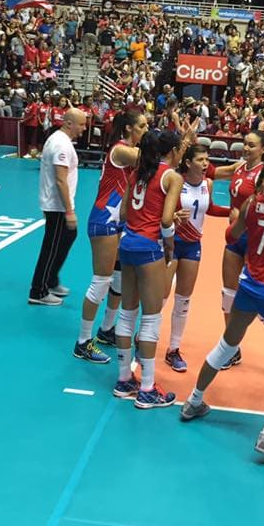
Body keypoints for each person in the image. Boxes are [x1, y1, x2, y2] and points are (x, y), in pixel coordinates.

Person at [180, 156, 264, 462]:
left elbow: (232, 236)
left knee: (227, 344)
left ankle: (194, 401)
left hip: (248, 284)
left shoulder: (251, 202)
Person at [113, 130, 185, 408]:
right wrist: (169, 246)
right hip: (148, 247)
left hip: (128, 243)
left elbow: (122, 214)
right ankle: (146, 389)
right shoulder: (172, 177)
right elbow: (167, 220)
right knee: (151, 317)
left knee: (127, 312)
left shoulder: (136, 174)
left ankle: (123, 380)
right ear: (174, 150)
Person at [74, 110, 148, 362]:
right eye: (142, 126)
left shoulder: (130, 149)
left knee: (118, 279)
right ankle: (83, 341)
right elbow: (150, 159)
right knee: (101, 281)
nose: (145, 130)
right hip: (104, 219)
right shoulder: (120, 150)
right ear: (128, 129)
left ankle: (106, 329)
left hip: (119, 222)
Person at [163, 143, 230, 372]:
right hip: (171, 243)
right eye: (201, 160)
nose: (206, 164)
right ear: (188, 162)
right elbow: (160, 212)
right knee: (160, 296)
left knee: (183, 299)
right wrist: (172, 216)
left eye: (207, 159)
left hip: (192, 245)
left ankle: (173, 349)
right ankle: (144, 338)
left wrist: (233, 211)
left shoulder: (207, 184)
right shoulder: (174, 180)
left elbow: (209, 208)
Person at [220, 130, 264, 368]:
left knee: (262, 298)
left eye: (251, 145)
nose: (245, 147)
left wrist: (241, 216)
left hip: (255, 240)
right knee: (228, 293)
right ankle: (231, 348)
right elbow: (209, 172)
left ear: (263, 149)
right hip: (234, 238)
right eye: (245, 143)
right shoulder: (240, 167)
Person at [28, 108, 88, 305]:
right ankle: (38, 291)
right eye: (81, 124)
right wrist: (69, 211)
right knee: (51, 246)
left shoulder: (60, 141)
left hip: (58, 204)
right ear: (69, 123)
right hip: (57, 205)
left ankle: (51, 279)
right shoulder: (61, 144)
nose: (84, 128)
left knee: (69, 235)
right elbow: (61, 180)